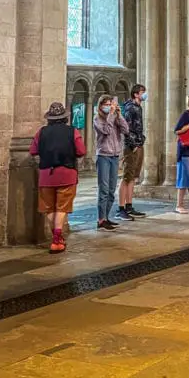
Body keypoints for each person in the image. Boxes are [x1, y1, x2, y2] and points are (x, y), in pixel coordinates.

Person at [30, 102, 86, 254]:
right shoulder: (72, 131)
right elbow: (81, 151)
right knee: (62, 207)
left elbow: (33, 150)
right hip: (67, 174)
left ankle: (56, 238)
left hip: (46, 175)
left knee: (49, 208)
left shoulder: (41, 132)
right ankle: (57, 239)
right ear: (65, 118)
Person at [93, 95, 129, 231]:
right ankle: (100, 219)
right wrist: (111, 115)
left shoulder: (114, 117)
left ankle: (106, 217)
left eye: (111, 104)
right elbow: (106, 131)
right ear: (101, 105)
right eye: (106, 104)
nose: (109, 106)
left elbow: (126, 130)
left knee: (111, 189)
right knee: (104, 189)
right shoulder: (97, 119)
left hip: (114, 156)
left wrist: (119, 115)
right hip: (103, 155)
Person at [118, 84, 147, 221]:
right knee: (126, 176)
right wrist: (133, 144)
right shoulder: (129, 107)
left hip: (138, 144)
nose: (144, 94)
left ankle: (129, 205)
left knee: (134, 176)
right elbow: (126, 127)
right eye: (142, 92)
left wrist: (141, 141)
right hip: (131, 146)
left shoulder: (138, 107)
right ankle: (121, 208)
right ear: (136, 94)